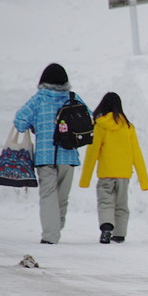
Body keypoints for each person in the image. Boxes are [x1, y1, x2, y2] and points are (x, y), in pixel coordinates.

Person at [14, 63, 90, 244]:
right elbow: (89, 117)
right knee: (62, 197)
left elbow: (19, 121)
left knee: (48, 195)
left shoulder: (38, 99)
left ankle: (50, 235)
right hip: (69, 155)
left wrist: (35, 125)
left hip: (45, 156)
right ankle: (56, 228)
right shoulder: (72, 97)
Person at [79, 92, 148, 244]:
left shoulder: (100, 125)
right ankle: (119, 234)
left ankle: (106, 229)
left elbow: (92, 153)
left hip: (106, 173)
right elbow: (137, 154)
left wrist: (85, 179)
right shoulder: (129, 128)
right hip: (124, 174)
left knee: (106, 202)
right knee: (121, 204)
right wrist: (144, 181)